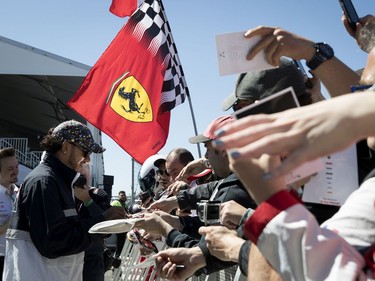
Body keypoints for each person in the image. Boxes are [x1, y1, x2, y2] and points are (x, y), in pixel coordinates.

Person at [3, 120, 125, 281]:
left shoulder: (57, 181)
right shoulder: (44, 182)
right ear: (66, 147)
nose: (87, 158)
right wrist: (102, 222)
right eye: (85, 151)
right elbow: (55, 243)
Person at [144, 115, 257, 279]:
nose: (205, 156)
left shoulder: (235, 191)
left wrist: (165, 230)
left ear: (224, 151)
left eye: (208, 149)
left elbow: (202, 249)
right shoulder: (234, 182)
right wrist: (178, 215)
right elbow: (211, 195)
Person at [0, 147, 18, 279]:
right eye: (10, 169)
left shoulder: (20, 192)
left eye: (16, 166)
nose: (16, 171)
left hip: (17, 257)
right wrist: (16, 219)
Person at [110, 190, 129, 261]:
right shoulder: (116, 203)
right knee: (120, 243)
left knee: (122, 243)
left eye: (124, 195)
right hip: (119, 226)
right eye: (122, 195)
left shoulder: (125, 204)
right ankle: (117, 257)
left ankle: (119, 256)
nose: (123, 196)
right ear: (118, 196)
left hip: (124, 226)